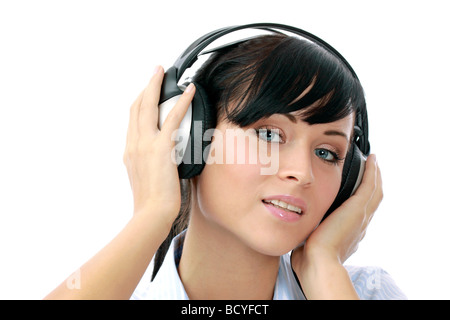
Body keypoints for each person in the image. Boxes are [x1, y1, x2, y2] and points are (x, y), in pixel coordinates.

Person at [45, 31, 406, 300]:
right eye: (268, 134)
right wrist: (152, 215)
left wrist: (324, 267)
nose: (303, 172)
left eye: (327, 153)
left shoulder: (361, 293)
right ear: (189, 136)